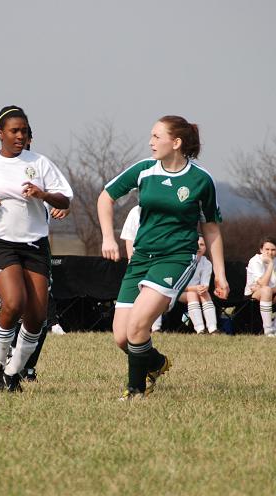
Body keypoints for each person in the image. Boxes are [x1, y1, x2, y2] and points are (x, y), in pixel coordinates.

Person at [98, 115, 229, 400]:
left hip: (176, 258)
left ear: (176, 142)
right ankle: (156, 363)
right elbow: (106, 197)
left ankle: (135, 392)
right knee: (122, 336)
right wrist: (109, 237)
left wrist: (219, 272)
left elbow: (211, 228)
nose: (150, 142)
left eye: (157, 136)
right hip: (142, 258)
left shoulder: (201, 180)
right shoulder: (145, 170)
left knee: (137, 326)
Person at [0, 105, 73, 392]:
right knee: (14, 302)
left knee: (37, 315)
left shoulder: (40, 163)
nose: (20, 135)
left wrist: (42, 193)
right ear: (0, 133)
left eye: (24, 130)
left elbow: (65, 199)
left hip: (34, 243)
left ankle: (13, 372)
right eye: (14, 131)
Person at [120, 205, 162, 332]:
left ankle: (155, 327)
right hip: (138, 260)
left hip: (159, 259)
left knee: (155, 293)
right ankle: (131, 326)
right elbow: (129, 237)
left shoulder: (165, 210)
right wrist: (130, 259)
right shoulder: (135, 211)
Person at [245, 237, 276, 337]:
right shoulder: (255, 261)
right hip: (252, 297)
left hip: (271, 294)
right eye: (267, 249)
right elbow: (263, 283)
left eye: (273, 250)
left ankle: (275, 329)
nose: (269, 252)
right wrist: (271, 264)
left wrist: (266, 290)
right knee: (266, 290)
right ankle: (268, 330)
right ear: (261, 250)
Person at [179, 237, 219, 334]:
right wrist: (194, 288)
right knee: (192, 294)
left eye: (202, 245)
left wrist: (203, 288)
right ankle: (200, 329)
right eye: (196, 244)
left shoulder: (207, 263)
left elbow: (205, 283)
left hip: (196, 292)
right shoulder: (181, 260)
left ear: (206, 248)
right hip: (177, 293)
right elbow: (177, 287)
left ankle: (212, 329)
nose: (198, 247)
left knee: (204, 293)